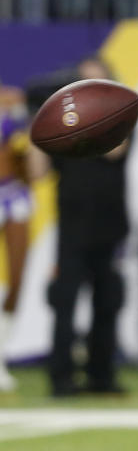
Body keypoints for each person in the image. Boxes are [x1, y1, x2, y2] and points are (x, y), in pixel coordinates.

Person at [41, 57, 131, 396]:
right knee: (64, 303)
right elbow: (38, 170)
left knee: (108, 302)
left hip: (110, 224)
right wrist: (30, 126)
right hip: (73, 225)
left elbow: (115, 151)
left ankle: (101, 375)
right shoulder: (58, 126)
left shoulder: (122, 117)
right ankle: (61, 377)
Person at [0, 84, 31, 392]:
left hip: (14, 195)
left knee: (17, 280)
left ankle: (1, 357)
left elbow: (35, 172)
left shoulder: (17, 106)